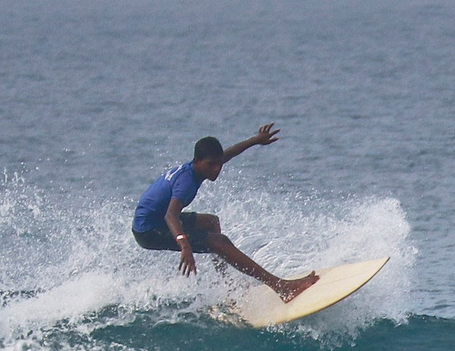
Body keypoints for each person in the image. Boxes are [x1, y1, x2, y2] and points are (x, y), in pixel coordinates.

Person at [131, 125, 319, 301]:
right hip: (149, 230)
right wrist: (185, 246)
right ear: (198, 161)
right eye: (212, 164)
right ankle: (281, 288)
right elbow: (171, 215)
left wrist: (256, 140)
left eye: (219, 164)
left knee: (211, 223)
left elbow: (228, 153)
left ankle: (228, 286)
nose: (217, 169)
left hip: (155, 219)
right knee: (220, 242)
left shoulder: (195, 168)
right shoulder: (186, 182)